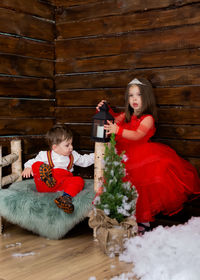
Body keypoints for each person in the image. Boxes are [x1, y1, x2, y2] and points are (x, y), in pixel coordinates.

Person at [97, 77, 200, 234]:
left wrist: (119, 131)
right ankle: (124, 219)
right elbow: (111, 121)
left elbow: (138, 135)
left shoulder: (148, 118)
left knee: (142, 189)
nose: (135, 99)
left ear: (147, 97)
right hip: (123, 157)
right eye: (131, 95)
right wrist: (103, 110)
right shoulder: (125, 115)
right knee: (124, 187)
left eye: (139, 95)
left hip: (142, 157)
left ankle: (143, 222)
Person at [22, 124, 94, 214]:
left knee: (78, 180)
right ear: (55, 147)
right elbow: (32, 161)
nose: (71, 147)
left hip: (61, 184)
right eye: (67, 145)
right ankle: (47, 176)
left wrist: (96, 155)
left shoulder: (73, 155)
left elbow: (84, 161)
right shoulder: (45, 155)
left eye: (71, 144)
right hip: (44, 185)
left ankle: (65, 198)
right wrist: (28, 167)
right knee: (37, 164)